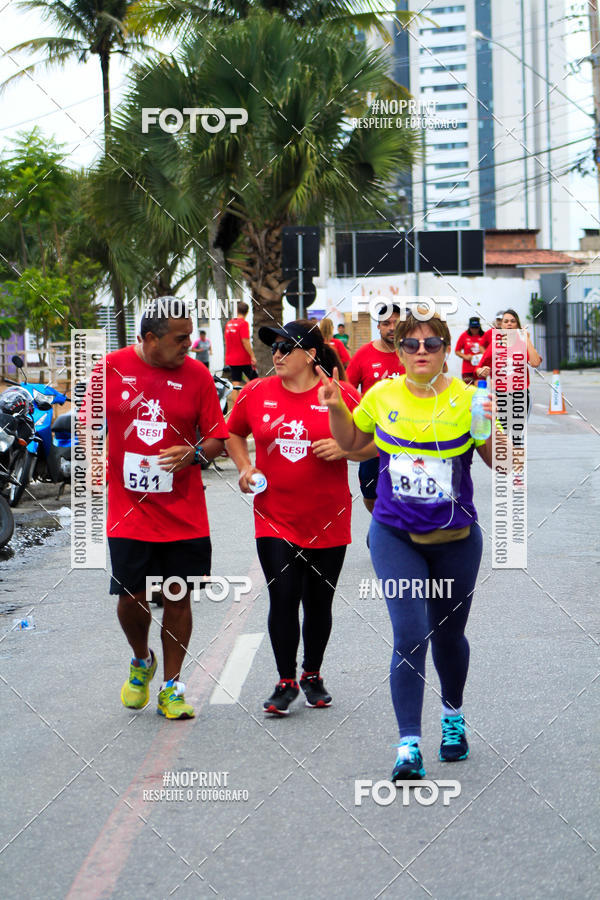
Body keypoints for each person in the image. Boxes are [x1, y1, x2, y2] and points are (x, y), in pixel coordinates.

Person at [319, 311, 497, 782]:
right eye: (412, 344)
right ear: (398, 352)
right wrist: (336, 406)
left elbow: (500, 461)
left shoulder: (466, 399)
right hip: (395, 533)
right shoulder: (382, 394)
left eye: (433, 344)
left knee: (448, 635)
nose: (422, 351)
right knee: (410, 633)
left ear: (446, 351)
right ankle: (408, 745)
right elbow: (354, 442)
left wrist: (496, 423)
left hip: (456, 538)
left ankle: (453, 717)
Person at [226, 320, 374, 716]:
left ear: (310, 354)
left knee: (319, 602)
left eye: (285, 348)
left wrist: (345, 450)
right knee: (284, 596)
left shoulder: (339, 393)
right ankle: (285, 680)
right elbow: (233, 434)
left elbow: (376, 443)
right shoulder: (256, 392)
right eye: (273, 348)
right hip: (273, 517)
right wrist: (244, 468)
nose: (276, 355)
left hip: (328, 517)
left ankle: (312, 673)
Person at [97, 299, 229, 720]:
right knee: (130, 598)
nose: (189, 345)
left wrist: (191, 454)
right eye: (180, 338)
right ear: (150, 339)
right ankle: (142, 661)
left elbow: (216, 439)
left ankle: (172, 687)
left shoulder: (197, 376)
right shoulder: (109, 368)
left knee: (177, 595)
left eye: (190, 336)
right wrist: (95, 456)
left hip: (184, 512)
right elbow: (88, 422)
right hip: (128, 510)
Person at [346, 305, 405, 512]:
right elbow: (347, 390)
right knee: (370, 493)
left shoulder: (413, 353)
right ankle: (380, 524)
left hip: (409, 440)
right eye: (386, 323)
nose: (392, 327)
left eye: (396, 323)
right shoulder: (363, 355)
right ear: (378, 327)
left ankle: (397, 532)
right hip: (372, 440)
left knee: (406, 493)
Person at [477, 308, 542, 414]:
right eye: (506, 321)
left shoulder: (523, 343)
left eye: (513, 321)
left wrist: (527, 339)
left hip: (520, 395)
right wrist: (482, 371)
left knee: (518, 430)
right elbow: (479, 369)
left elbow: (535, 363)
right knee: (502, 430)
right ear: (501, 326)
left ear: (517, 325)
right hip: (500, 395)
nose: (509, 324)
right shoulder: (495, 345)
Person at [224, 301, 258, 390]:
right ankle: (253, 401)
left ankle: (236, 403)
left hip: (231, 359)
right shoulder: (243, 323)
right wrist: (252, 356)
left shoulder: (229, 324)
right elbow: (245, 341)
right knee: (255, 381)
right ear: (247, 312)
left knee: (235, 383)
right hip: (243, 359)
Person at [455, 316, 486, 384]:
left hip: (480, 368)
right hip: (467, 369)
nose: (474, 330)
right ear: (469, 327)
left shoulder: (484, 335)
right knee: (469, 391)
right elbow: (457, 351)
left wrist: (484, 354)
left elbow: (490, 350)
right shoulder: (464, 336)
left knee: (480, 390)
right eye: (472, 327)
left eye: (476, 327)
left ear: (479, 327)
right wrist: (465, 356)